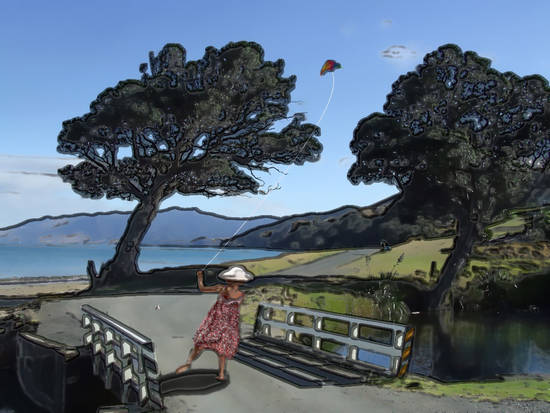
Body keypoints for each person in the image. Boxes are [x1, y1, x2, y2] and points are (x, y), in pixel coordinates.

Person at [175, 265, 254, 381]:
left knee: (200, 343)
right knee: (222, 349)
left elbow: (202, 288)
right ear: (241, 281)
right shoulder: (241, 295)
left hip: (216, 321)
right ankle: (221, 373)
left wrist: (200, 277)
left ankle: (188, 363)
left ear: (228, 279)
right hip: (229, 324)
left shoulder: (222, 288)